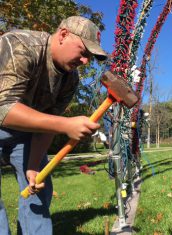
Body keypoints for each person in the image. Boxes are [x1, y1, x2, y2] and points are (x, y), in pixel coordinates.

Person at [0, 16, 109, 235]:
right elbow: (3, 108)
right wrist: (65, 125)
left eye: (90, 56)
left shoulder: (70, 80)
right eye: (83, 51)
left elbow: (49, 123)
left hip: (25, 133)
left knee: (38, 188)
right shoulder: (21, 45)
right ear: (63, 35)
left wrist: (33, 167)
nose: (85, 61)